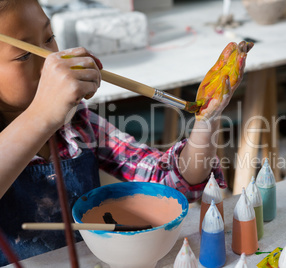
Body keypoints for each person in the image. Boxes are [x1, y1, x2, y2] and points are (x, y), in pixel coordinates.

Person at [0, 0, 251, 265]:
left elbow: (171, 182)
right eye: (24, 54)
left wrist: (206, 119)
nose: (51, 62)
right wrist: (43, 115)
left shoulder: (77, 124)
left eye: (49, 38)